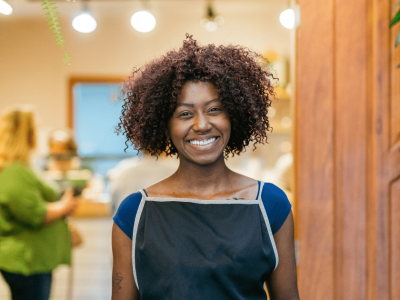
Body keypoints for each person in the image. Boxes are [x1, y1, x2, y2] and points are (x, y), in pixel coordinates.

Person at [112, 35, 299, 300]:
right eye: (185, 113)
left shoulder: (269, 205)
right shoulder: (135, 213)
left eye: (214, 109)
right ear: (165, 125)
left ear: (234, 114)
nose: (201, 125)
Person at [0, 107, 78, 300]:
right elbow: (35, 214)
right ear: (26, 135)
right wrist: (64, 206)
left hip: (33, 260)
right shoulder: (15, 172)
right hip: (26, 262)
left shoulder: (21, 168)